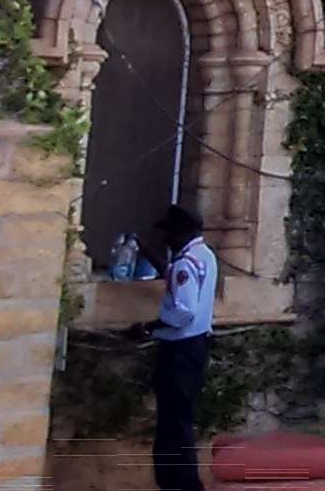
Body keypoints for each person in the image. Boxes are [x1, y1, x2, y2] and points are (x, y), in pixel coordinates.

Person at [132, 205, 216, 491]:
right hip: (196, 346)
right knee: (180, 418)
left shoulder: (185, 264)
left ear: (181, 232)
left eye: (169, 233)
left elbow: (183, 311)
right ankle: (179, 482)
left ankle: (181, 484)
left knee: (173, 422)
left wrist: (149, 327)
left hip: (179, 349)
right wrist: (148, 254)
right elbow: (177, 277)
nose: (166, 239)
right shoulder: (204, 256)